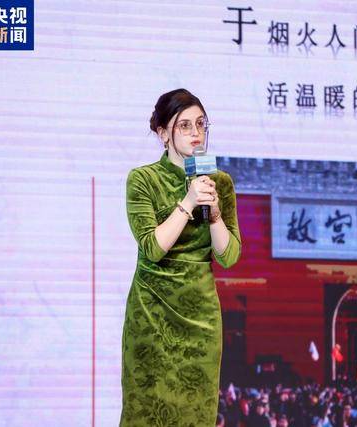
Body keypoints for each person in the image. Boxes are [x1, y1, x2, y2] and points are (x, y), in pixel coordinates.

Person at [119, 88, 242, 426]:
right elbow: (153, 248)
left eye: (201, 124)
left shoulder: (220, 183)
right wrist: (188, 202)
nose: (195, 133)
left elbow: (229, 256)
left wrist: (214, 214)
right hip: (152, 316)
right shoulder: (142, 179)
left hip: (200, 319)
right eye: (184, 125)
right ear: (163, 134)